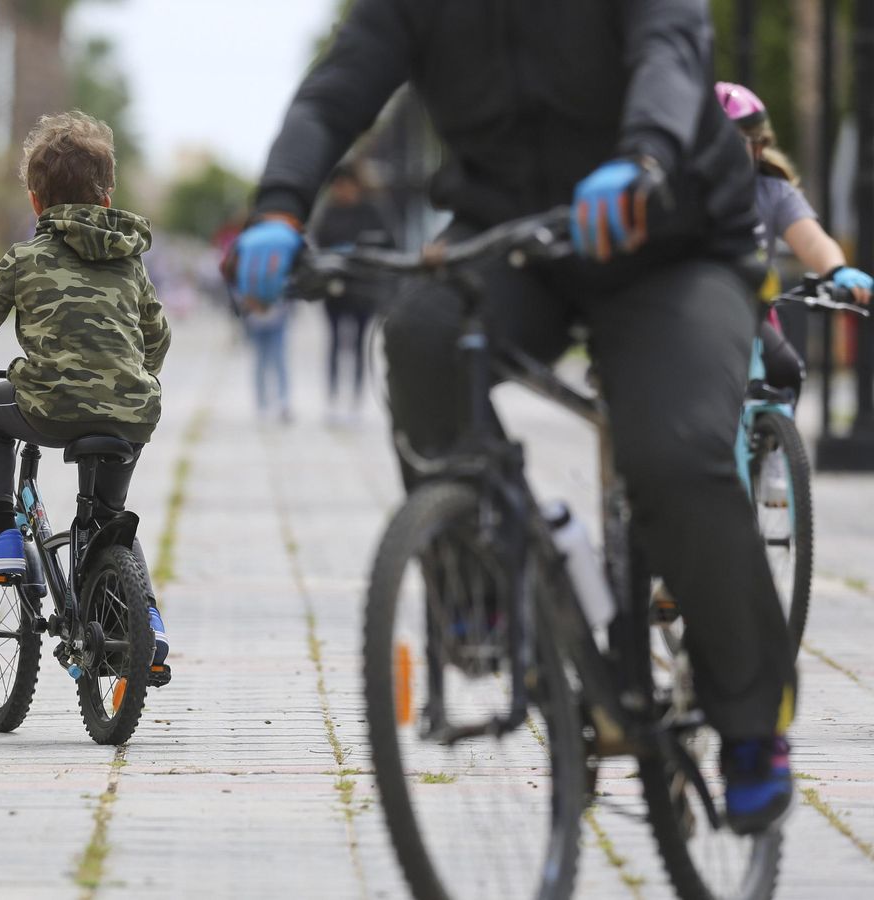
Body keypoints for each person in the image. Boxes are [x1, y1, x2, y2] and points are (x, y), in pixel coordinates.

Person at [235, 0, 795, 834]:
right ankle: (486, 578)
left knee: (671, 454)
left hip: (669, 237)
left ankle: (753, 723)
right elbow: (334, 95)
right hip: (518, 234)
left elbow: (669, 59)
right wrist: (280, 204)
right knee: (422, 338)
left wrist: (644, 156)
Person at [0, 111, 173, 670]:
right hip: (130, 412)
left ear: (36, 201)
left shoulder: (25, 258)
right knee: (110, 518)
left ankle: (2, 534)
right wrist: (133, 374)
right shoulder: (130, 263)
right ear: (107, 198)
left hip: (50, 405)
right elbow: (157, 334)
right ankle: (145, 621)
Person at [715, 81, 874, 395]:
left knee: (786, 372)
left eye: (736, 142)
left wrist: (837, 270)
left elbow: (812, 239)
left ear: (758, 147)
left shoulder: (772, 192)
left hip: (751, 315)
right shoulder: (681, 194)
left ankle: (775, 439)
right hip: (691, 318)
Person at [308, 164, 394, 424]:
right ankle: (333, 399)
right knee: (334, 342)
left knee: (358, 345)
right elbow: (317, 246)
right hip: (334, 290)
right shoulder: (329, 212)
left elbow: (388, 243)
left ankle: (355, 401)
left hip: (363, 288)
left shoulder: (371, 211)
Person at [243, 296, 292, 424]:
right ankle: (263, 402)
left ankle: (282, 401)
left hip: (276, 317)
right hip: (257, 319)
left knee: (277, 361)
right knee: (262, 362)